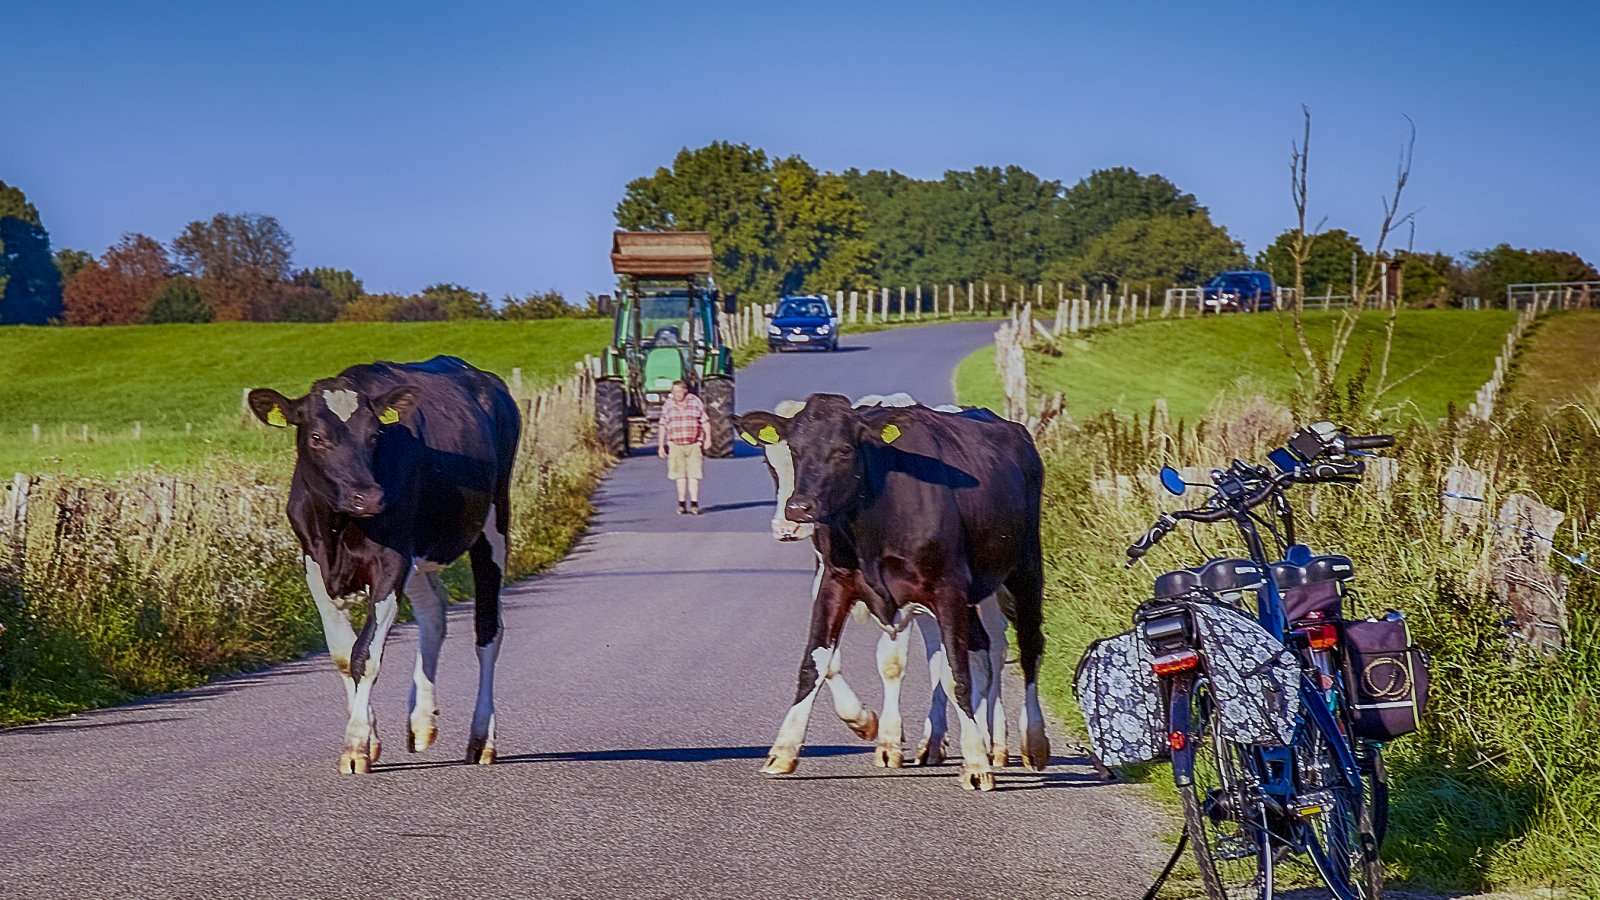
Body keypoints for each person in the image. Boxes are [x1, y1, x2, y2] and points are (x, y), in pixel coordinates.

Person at [657, 380, 711, 515]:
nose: (677, 394)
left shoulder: (695, 402)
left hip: (693, 444)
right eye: (674, 392)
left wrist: (708, 438)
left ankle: (694, 503)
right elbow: (663, 425)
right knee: (679, 476)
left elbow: (704, 421)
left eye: (679, 391)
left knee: (694, 475)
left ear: (685, 391)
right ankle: (681, 504)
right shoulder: (668, 405)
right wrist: (661, 446)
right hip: (675, 445)